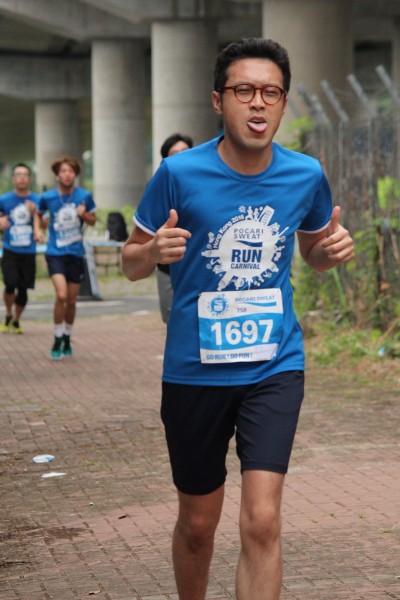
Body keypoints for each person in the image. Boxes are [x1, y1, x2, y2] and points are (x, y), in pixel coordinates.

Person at [122, 38, 355, 600]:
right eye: (244, 90)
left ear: (283, 103)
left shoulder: (305, 175)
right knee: (198, 525)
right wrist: (152, 252)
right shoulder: (178, 173)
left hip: (274, 365)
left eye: (271, 92)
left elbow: (312, 250)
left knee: (262, 520)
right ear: (218, 100)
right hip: (194, 370)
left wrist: (329, 252)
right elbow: (130, 261)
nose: (257, 103)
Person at [34, 156, 96, 360]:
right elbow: (38, 215)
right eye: (63, 171)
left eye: (70, 171)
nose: (67, 174)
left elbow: (93, 220)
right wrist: (37, 229)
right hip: (55, 252)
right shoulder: (48, 197)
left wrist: (84, 214)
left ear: (75, 174)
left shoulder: (84, 196)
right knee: (61, 296)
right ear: (57, 175)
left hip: (75, 253)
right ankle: (57, 337)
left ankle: (67, 336)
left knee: (71, 300)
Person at [157, 133, 194, 323]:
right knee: (172, 319)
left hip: (198, 265)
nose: (181, 157)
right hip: (168, 266)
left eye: (185, 151)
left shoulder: (208, 184)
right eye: (174, 153)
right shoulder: (158, 187)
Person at [0, 163, 41, 334]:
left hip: (28, 251)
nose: (22, 178)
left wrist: (35, 215)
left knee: (23, 288)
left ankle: (16, 320)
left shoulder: (37, 199)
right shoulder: (4, 200)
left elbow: (45, 223)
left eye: (25, 175)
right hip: (10, 249)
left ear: (29, 179)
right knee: (10, 284)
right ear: (13, 178)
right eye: (18, 174)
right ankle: (8, 313)